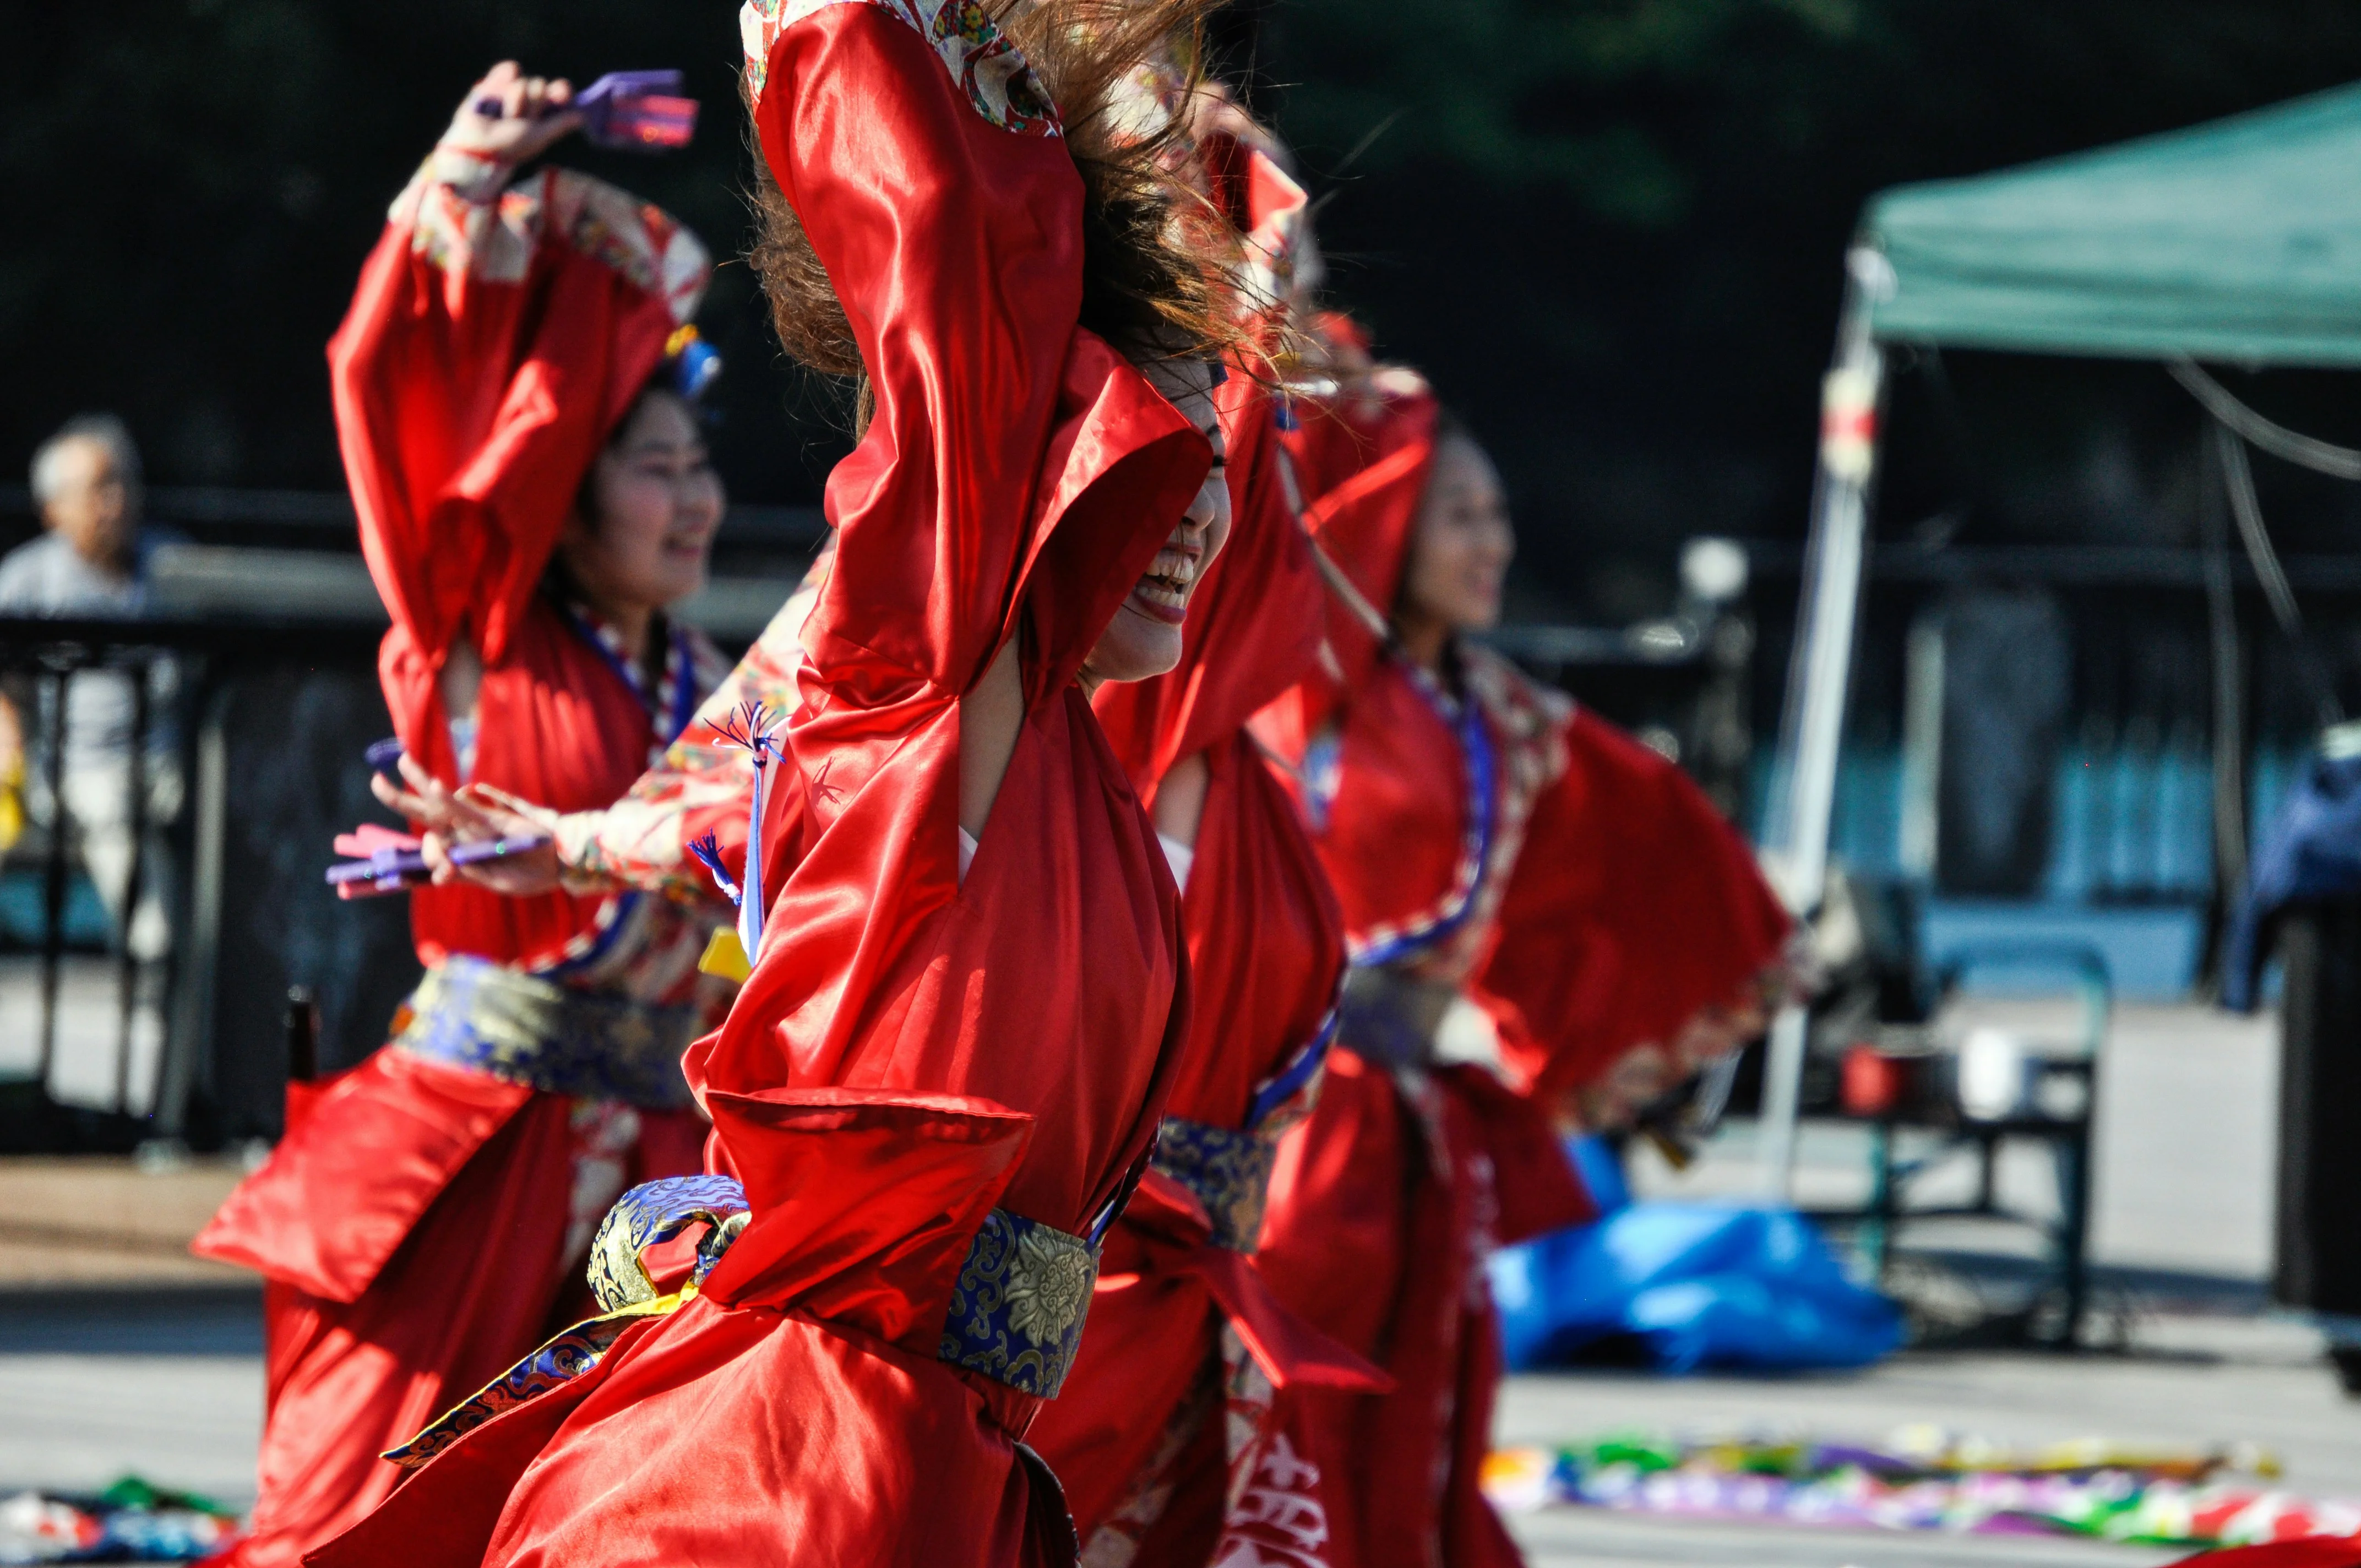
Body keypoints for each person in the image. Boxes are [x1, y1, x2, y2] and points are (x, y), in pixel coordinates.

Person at [310, 3, 1244, 1565]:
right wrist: (866, 49)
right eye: (1155, 464)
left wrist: (595, 841)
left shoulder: (1053, 776)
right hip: (798, 1459)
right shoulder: (931, 690)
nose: (1201, 513)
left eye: (1223, 475)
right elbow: (959, 346)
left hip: (951, 1461)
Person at [188, 64, 736, 1567]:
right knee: (359, 1520)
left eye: (703, 468)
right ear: (565, 492)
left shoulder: (712, 682)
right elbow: (397, 401)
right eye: (654, 469)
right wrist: (460, 186)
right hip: (469, 1156)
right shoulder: (473, 631)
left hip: (650, 1168)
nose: (695, 502)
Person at [1246, 329, 1798, 1568]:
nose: (1490, 542)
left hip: (1416, 1131)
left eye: (1496, 514)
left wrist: (1757, 955)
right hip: (1294, 1127)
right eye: (1458, 515)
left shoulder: (1502, 717)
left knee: (1430, 1407)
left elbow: (1649, 825)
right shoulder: (1304, 695)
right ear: (1389, 521)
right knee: (1295, 1410)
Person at [1025, 116, 1381, 1567]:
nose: (1245, 478)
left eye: (1261, 439)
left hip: (1207, 1303)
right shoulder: (1084, 744)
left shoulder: (1246, 777)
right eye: (1241, 427)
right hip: (1076, 1337)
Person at [0, 415, 180, 960]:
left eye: (124, 482)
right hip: (82, 768)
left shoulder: (171, 561)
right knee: (113, 809)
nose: (116, 502)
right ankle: (157, 954)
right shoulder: (28, 577)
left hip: (173, 756)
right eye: (99, 489)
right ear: (54, 510)